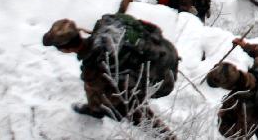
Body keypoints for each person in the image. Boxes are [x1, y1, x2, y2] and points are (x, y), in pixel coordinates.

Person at [42, 15, 178, 138]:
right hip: (167, 57)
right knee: (96, 81)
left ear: (66, 49)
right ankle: (95, 108)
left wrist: (114, 105)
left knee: (127, 106)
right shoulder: (105, 26)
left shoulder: (96, 64)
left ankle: (167, 137)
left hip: (161, 81)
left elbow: (119, 99)